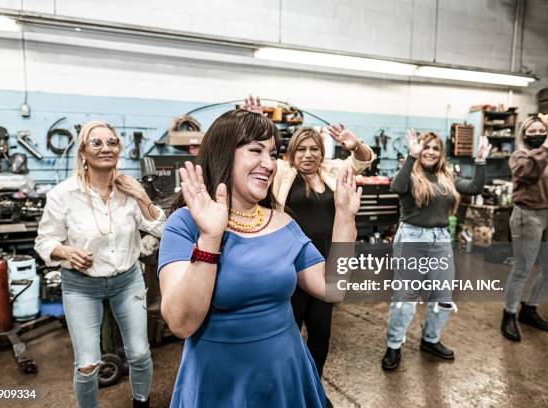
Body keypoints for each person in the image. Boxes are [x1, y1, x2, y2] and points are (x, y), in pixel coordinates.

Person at [157, 108, 362, 407]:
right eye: (255, 150)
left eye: (273, 153)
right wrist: (210, 239)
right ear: (224, 153)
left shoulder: (283, 223)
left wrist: (345, 218)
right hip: (220, 381)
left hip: (285, 374)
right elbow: (181, 323)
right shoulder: (185, 224)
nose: (269, 164)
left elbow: (333, 288)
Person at [34, 121, 165, 408]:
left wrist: (142, 196)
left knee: (140, 353)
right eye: (97, 143)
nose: (106, 148)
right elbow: (43, 242)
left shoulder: (130, 189)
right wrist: (66, 251)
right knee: (87, 364)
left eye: (112, 142)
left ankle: (141, 402)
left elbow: (162, 228)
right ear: (82, 152)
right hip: (81, 286)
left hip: (127, 280)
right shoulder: (63, 194)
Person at [265, 110, 373, 400]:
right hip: (291, 267)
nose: (308, 154)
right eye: (301, 149)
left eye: (314, 149)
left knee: (321, 333)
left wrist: (354, 144)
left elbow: (363, 160)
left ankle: (313, 389)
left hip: (326, 266)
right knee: (287, 333)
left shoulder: (332, 172)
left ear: (322, 153)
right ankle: (286, 391)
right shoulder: (281, 173)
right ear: (291, 152)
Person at [381, 129, 489, 371]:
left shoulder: (446, 178)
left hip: (440, 240)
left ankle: (430, 340)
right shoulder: (410, 175)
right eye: (426, 147)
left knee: (442, 297)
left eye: (435, 148)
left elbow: (474, 187)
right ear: (419, 150)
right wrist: (411, 156)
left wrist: (480, 160)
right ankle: (394, 345)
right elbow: (397, 188)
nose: (430, 152)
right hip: (412, 238)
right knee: (405, 299)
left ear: (441, 154)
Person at [501, 114, 548, 341]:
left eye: (540, 130)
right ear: (523, 135)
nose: (536, 135)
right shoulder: (520, 156)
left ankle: (530, 308)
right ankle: (509, 314)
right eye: (531, 132)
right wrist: (546, 145)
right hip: (528, 216)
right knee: (522, 269)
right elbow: (529, 172)